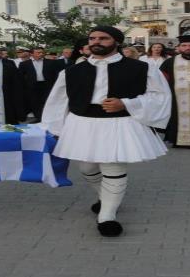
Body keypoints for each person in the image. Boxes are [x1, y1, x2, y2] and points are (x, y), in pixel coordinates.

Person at [41, 26, 171, 236]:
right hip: (83, 123)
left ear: (116, 42)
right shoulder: (71, 71)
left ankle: (107, 216)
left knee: (112, 167)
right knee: (87, 168)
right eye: (92, 38)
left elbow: (160, 97)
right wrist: (53, 128)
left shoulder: (141, 68)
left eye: (103, 38)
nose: (96, 41)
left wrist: (126, 104)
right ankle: (106, 196)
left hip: (119, 122)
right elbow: (58, 100)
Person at [18, 46, 66, 122]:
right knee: (34, 102)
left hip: (47, 85)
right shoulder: (24, 64)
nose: (41, 54)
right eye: (38, 53)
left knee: (46, 102)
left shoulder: (50, 62)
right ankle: (39, 118)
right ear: (32, 54)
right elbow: (20, 77)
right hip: (32, 87)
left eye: (42, 52)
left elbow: (56, 74)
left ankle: (45, 118)